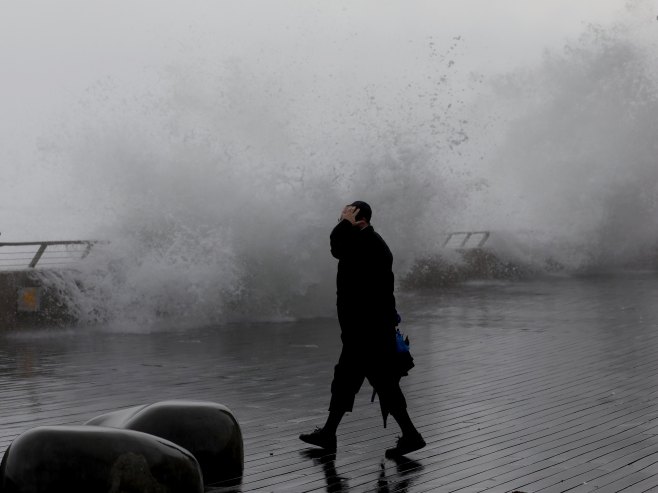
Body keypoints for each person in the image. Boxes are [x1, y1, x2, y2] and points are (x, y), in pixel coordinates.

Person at [299, 201, 425, 458]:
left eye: (346, 215)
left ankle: (411, 435)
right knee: (348, 380)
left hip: (368, 332)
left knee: (380, 384)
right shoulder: (366, 242)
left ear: (359, 218)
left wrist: (345, 223)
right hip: (365, 331)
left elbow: (336, 246)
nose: (341, 219)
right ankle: (329, 433)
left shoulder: (368, 243)